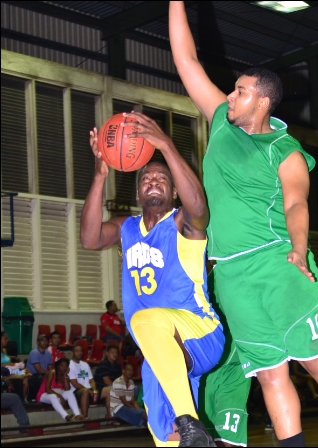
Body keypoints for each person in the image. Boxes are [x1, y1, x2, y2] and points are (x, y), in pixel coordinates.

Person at [168, 3, 318, 446]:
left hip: (277, 262)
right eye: (232, 91)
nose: (230, 97)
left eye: (240, 92)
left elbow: (296, 204)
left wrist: (299, 248)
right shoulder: (221, 123)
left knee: (315, 359)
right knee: (269, 373)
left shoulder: (284, 150)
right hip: (230, 272)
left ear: (262, 101)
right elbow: (186, 60)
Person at [80, 111, 224, 447]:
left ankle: (190, 422)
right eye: (146, 178)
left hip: (199, 332)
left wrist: (166, 145)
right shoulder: (126, 228)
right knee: (167, 438)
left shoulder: (182, 223)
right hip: (162, 350)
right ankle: (188, 432)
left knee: (145, 320)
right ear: (138, 193)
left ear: (174, 191)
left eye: (162, 178)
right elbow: (89, 239)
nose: (153, 181)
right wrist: (100, 175)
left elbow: (199, 209)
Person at [198, 267, 251, 447]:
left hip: (235, 371)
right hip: (205, 372)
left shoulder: (246, 271)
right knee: (203, 439)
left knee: (229, 440)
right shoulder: (198, 281)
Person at [36, 358, 85, 422]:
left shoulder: (66, 376)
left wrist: (65, 376)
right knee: (53, 396)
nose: (64, 368)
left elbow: (67, 389)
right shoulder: (52, 373)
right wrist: (60, 397)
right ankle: (66, 416)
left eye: (66, 366)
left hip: (57, 395)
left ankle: (77, 414)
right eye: (62, 365)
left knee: (70, 393)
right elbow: (48, 389)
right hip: (44, 395)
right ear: (58, 366)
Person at [110, 362, 147, 428]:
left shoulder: (131, 382)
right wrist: (136, 410)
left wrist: (138, 409)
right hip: (117, 409)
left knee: (144, 414)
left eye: (132, 370)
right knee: (143, 414)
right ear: (123, 371)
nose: (130, 372)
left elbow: (133, 400)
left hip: (126, 408)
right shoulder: (118, 382)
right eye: (128, 370)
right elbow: (124, 401)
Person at [69, 344, 98, 419]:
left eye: (81, 351)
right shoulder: (70, 365)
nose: (79, 353)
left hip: (88, 389)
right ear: (72, 353)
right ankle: (85, 417)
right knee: (85, 391)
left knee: (107, 391)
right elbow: (75, 384)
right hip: (76, 391)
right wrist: (88, 390)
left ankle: (111, 417)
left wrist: (94, 390)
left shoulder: (85, 364)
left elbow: (91, 380)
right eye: (77, 351)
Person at [93, 345, 122, 418]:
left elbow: (120, 380)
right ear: (107, 353)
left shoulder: (117, 365)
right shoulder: (103, 364)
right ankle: (110, 417)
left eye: (116, 352)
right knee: (110, 391)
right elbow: (107, 381)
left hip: (112, 387)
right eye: (112, 352)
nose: (115, 354)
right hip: (100, 389)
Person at [1, 332, 31, 399]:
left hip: (10, 369)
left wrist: (13, 358)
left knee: (26, 377)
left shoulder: (4, 350)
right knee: (23, 379)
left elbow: (6, 359)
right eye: (5, 338)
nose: (7, 340)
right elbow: (5, 363)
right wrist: (6, 364)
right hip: (4, 373)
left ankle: (22, 399)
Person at [26, 334, 53, 402]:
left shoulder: (48, 353)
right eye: (42, 341)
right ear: (38, 342)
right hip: (32, 375)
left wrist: (52, 373)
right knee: (39, 378)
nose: (45, 342)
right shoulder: (34, 352)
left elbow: (50, 367)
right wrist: (50, 373)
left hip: (43, 374)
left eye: (46, 341)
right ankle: (32, 398)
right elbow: (39, 370)